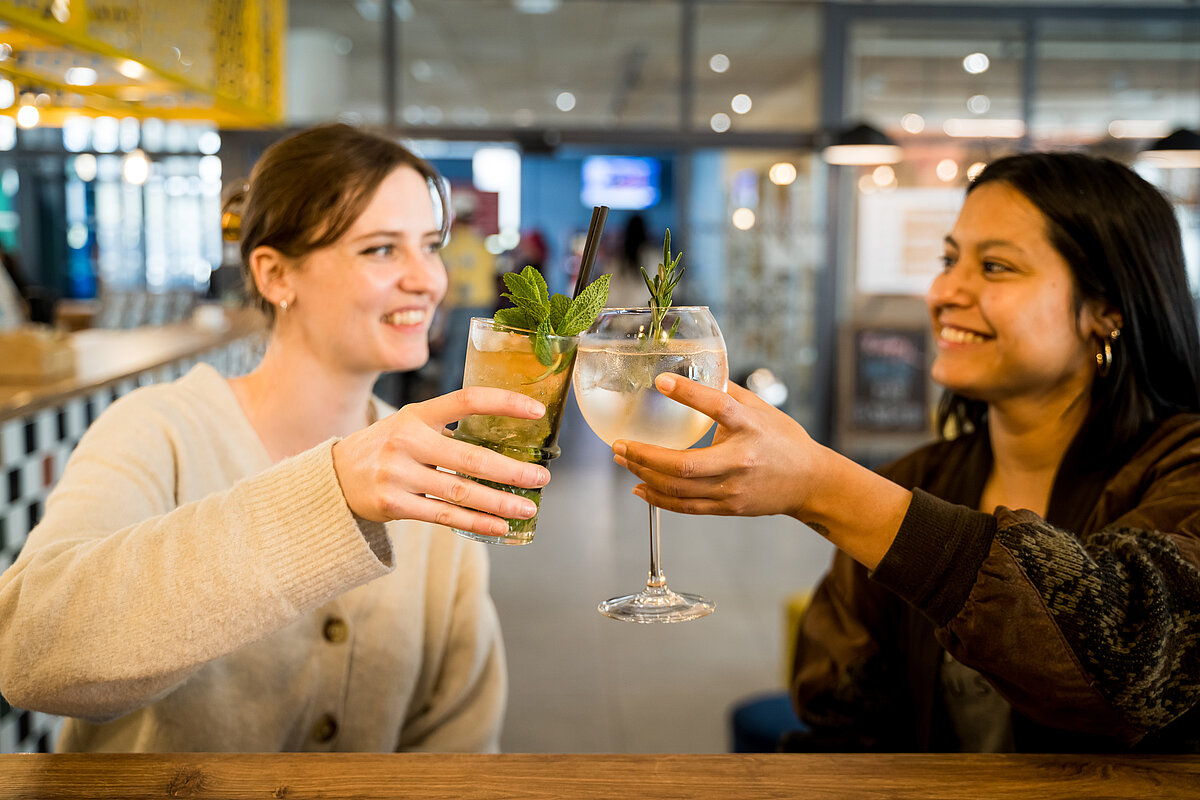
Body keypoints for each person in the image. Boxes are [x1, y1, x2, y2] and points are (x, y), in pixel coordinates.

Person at [610, 152, 1200, 753]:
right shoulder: (921, 478)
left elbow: (1132, 663)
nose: (944, 291)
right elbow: (840, 721)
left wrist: (824, 486)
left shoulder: (1183, 471)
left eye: (994, 267)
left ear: (1108, 311)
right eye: (948, 260)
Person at [0, 123, 554, 752]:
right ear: (274, 275)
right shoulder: (160, 430)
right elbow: (31, 654)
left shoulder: (435, 469)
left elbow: (458, 741)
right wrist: (333, 494)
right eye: (380, 249)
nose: (428, 279)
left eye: (429, 245)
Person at [437, 206, 497, 394]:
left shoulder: (451, 248)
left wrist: (441, 322)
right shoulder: (482, 245)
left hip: (459, 311)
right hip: (485, 311)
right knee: (479, 364)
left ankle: (448, 417)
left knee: (453, 364)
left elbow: (448, 286)